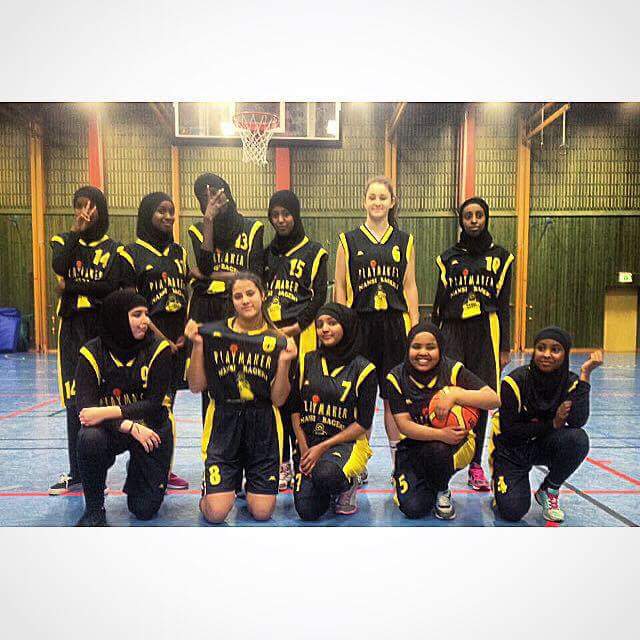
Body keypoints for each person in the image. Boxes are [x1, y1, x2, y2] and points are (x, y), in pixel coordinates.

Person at [185, 272, 297, 523]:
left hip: (263, 424)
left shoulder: (278, 340)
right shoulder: (213, 334)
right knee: (216, 514)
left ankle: (250, 486)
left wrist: (284, 363)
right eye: (238, 296)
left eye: (250, 293)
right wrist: (198, 347)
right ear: (232, 301)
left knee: (262, 513)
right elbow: (195, 385)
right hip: (224, 422)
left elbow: (279, 400)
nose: (245, 300)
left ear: (263, 295)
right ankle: (216, 489)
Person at [334, 176, 419, 473]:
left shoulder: (405, 241)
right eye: (372, 197)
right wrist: (343, 325)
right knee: (362, 398)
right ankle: (359, 463)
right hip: (361, 325)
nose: (377, 202)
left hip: (395, 325)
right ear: (364, 201)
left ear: (392, 202)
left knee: (394, 396)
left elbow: (410, 286)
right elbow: (340, 287)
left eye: (383, 197)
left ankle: (399, 463)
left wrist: (415, 325)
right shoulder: (348, 240)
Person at [432, 196, 514, 492]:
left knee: (481, 396)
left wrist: (504, 346)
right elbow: (438, 304)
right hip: (452, 329)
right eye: (468, 216)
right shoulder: (447, 258)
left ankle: (476, 465)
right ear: (461, 221)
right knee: (448, 393)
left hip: (485, 329)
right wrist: (434, 340)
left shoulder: (501, 258)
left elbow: (504, 304)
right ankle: (445, 461)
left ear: (486, 218)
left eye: (479, 215)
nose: (474, 220)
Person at [74, 289, 174, 526]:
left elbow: (153, 404)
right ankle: (94, 508)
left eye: (146, 314)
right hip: (114, 430)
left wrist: (107, 412)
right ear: (117, 317)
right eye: (137, 314)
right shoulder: (91, 353)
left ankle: (139, 468)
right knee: (90, 438)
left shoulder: (158, 349)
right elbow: (86, 413)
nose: (145, 321)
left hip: (151, 428)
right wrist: (129, 426)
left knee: (144, 509)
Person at [49, 186, 122, 495]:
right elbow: (59, 267)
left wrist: (71, 286)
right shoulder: (63, 241)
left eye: (92, 206)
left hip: (101, 329)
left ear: (101, 210)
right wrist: (75, 233)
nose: (86, 212)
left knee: (101, 398)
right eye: (80, 205)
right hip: (72, 328)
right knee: (74, 400)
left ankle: (97, 473)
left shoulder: (115, 249)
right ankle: (77, 472)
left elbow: (110, 287)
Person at [386, 322, 500, 520]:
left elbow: (493, 399)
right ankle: (428, 483)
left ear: (440, 348)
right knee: (413, 508)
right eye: (416, 347)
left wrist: (455, 395)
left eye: (430, 347)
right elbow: (404, 425)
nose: (423, 353)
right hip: (414, 446)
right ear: (408, 348)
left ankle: (442, 488)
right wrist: (440, 434)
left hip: (455, 445)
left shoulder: (452, 369)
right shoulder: (396, 377)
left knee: (437, 449)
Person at [491, 327, 603, 523]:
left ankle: (549, 489)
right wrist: (553, 423)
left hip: (543, 444)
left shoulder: (570, 382)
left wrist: (585, 375)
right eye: (541, 348)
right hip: (511, 450)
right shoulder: (514, 382)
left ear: (565, 354)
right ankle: (501, 483)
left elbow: (577, 421)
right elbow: (509, 432)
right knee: (512, 511)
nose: (547, 354)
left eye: (555, 349)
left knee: (577, 439)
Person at [118, 192, 189, 490]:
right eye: (161, 211)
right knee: (152, 404)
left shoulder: (179, 252)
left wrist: (185, 331)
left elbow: (185, 294)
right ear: (147, 214)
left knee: (167, 405)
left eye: (171, 211)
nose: (168, 217)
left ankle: (160, 466)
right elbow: (131, 306)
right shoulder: (130, 254)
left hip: (178, 344)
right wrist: (160, 339)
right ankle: (148, 467)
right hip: (148, 343)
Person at [263, 189, 328, 490]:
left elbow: (319, 296)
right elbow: (257, 292)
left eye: (286, 214)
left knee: (300, 399)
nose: (281, 220)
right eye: (275, 215)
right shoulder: (266, 254)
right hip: (270, 335)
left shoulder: (314, 252)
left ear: (296, 215)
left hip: (302, 334)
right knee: (275, 399)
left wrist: (296, 327)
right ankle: (281, 463)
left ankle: (303, 457)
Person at [187, 173, 265, 425]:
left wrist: (213, 276)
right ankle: (213, 441)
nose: (213, 200)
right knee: (211, 380)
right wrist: (208, 220)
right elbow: (206, 265)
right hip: (207, 311)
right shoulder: (198, 229)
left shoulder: (252, 228)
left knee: (244, 377)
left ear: (228, 193)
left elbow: (254, 274)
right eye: (205, 197)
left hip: (240, 310)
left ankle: (248, 435)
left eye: (217, 194)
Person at [290, 303, 376, 520]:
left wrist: (322, 448)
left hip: (345, 444)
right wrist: (304, 449)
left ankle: (349, 482)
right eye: (320, 324)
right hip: (310, 443)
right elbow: (295, 410)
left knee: (327, 474)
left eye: (332, 323)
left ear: (346, 326)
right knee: (307, 510)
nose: (324, 329)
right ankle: (325, 486)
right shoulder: (307, 361)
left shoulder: (364, 369)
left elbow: (363, 423)